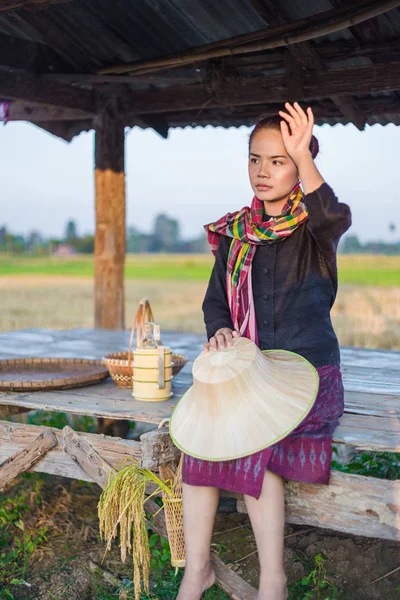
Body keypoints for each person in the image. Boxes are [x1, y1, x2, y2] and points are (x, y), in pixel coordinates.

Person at [176, 102, 352, 600]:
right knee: (199, 442)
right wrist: (220, 331)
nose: (263, 171)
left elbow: (336, 215)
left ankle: (272, 583)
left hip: (306, 375)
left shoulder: (313, 228)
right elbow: (216, 302)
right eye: (256, 159)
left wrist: (304, 152)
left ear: (300, 165)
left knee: (254, 442)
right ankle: (197, 571)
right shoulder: (235, 234)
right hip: (249, 373)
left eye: (279, 160)